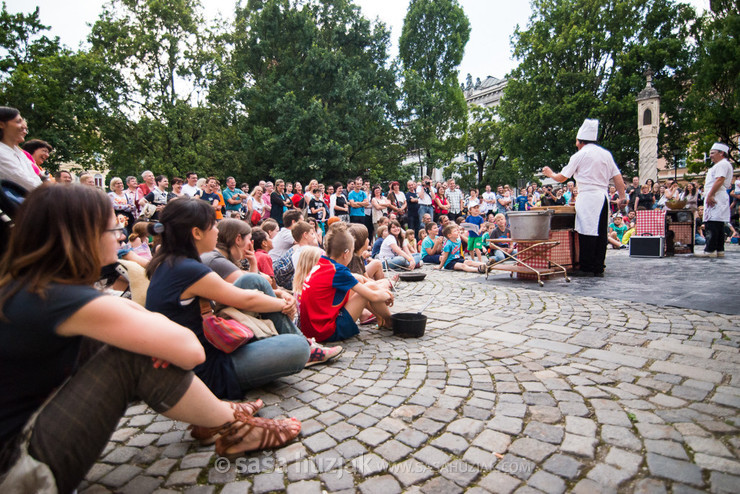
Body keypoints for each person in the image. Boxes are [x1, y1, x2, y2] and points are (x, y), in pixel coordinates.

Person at [0, 185, 301, 493]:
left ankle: (220, 417)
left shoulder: (28, 290)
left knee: (137, 347)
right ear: (82, 237)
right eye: (113, 228)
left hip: (22, 440)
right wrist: (283, 302)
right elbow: (189, 350)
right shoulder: (58, 299)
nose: (119, 237)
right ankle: (226, 419)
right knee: (294, 348)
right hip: (16, 468)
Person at [145, 197, 311, 399]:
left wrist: (277, 296)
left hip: (198, 353)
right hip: (207, 367)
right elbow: (244, 300)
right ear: (196, 233)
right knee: (299, 348)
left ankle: (284, 340)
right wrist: (285, 303)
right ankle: (299, 343)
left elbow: (238, 291)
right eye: (213, 225)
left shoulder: (170, 262)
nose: (217, 230)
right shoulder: (188, 269)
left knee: (252, 280)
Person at [542, 118, 626, 277]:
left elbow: (562, 177)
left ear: (580, 141)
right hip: (603, 196)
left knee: (587, 231)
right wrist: (622, 197)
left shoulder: (580, 155)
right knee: (601, 232)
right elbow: (618, 176)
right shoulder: (606, 154)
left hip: (588, 196)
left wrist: (549, 173)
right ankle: (598, 266)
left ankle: (586, 267)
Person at [297, 223, 394, 340]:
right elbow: (373, 296)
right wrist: (387, 294)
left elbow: (355, 279)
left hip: (311, 329)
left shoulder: (322, 263)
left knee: (363, 283)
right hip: (326, 331)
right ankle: (391, 322)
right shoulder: (339, 270)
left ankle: (381, 319)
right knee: (370, 288)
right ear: (346, 254)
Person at [695, 143, 734, 258]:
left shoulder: (722, 164)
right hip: (718, 195)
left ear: (721, 153)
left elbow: (720, 180)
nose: (710, 156)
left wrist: (711, 194)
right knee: (718, 223)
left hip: (716, 195)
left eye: (712, 153)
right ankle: (719, 249)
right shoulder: (722, 164)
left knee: (712, 223)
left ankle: (710, 250)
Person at [0, 107, 42, 191]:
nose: (24, 127)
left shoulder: (18, 152)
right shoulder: (1, 152)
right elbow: (26, 183)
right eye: (18, 121)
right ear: (1, 124)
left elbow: (34, 178)